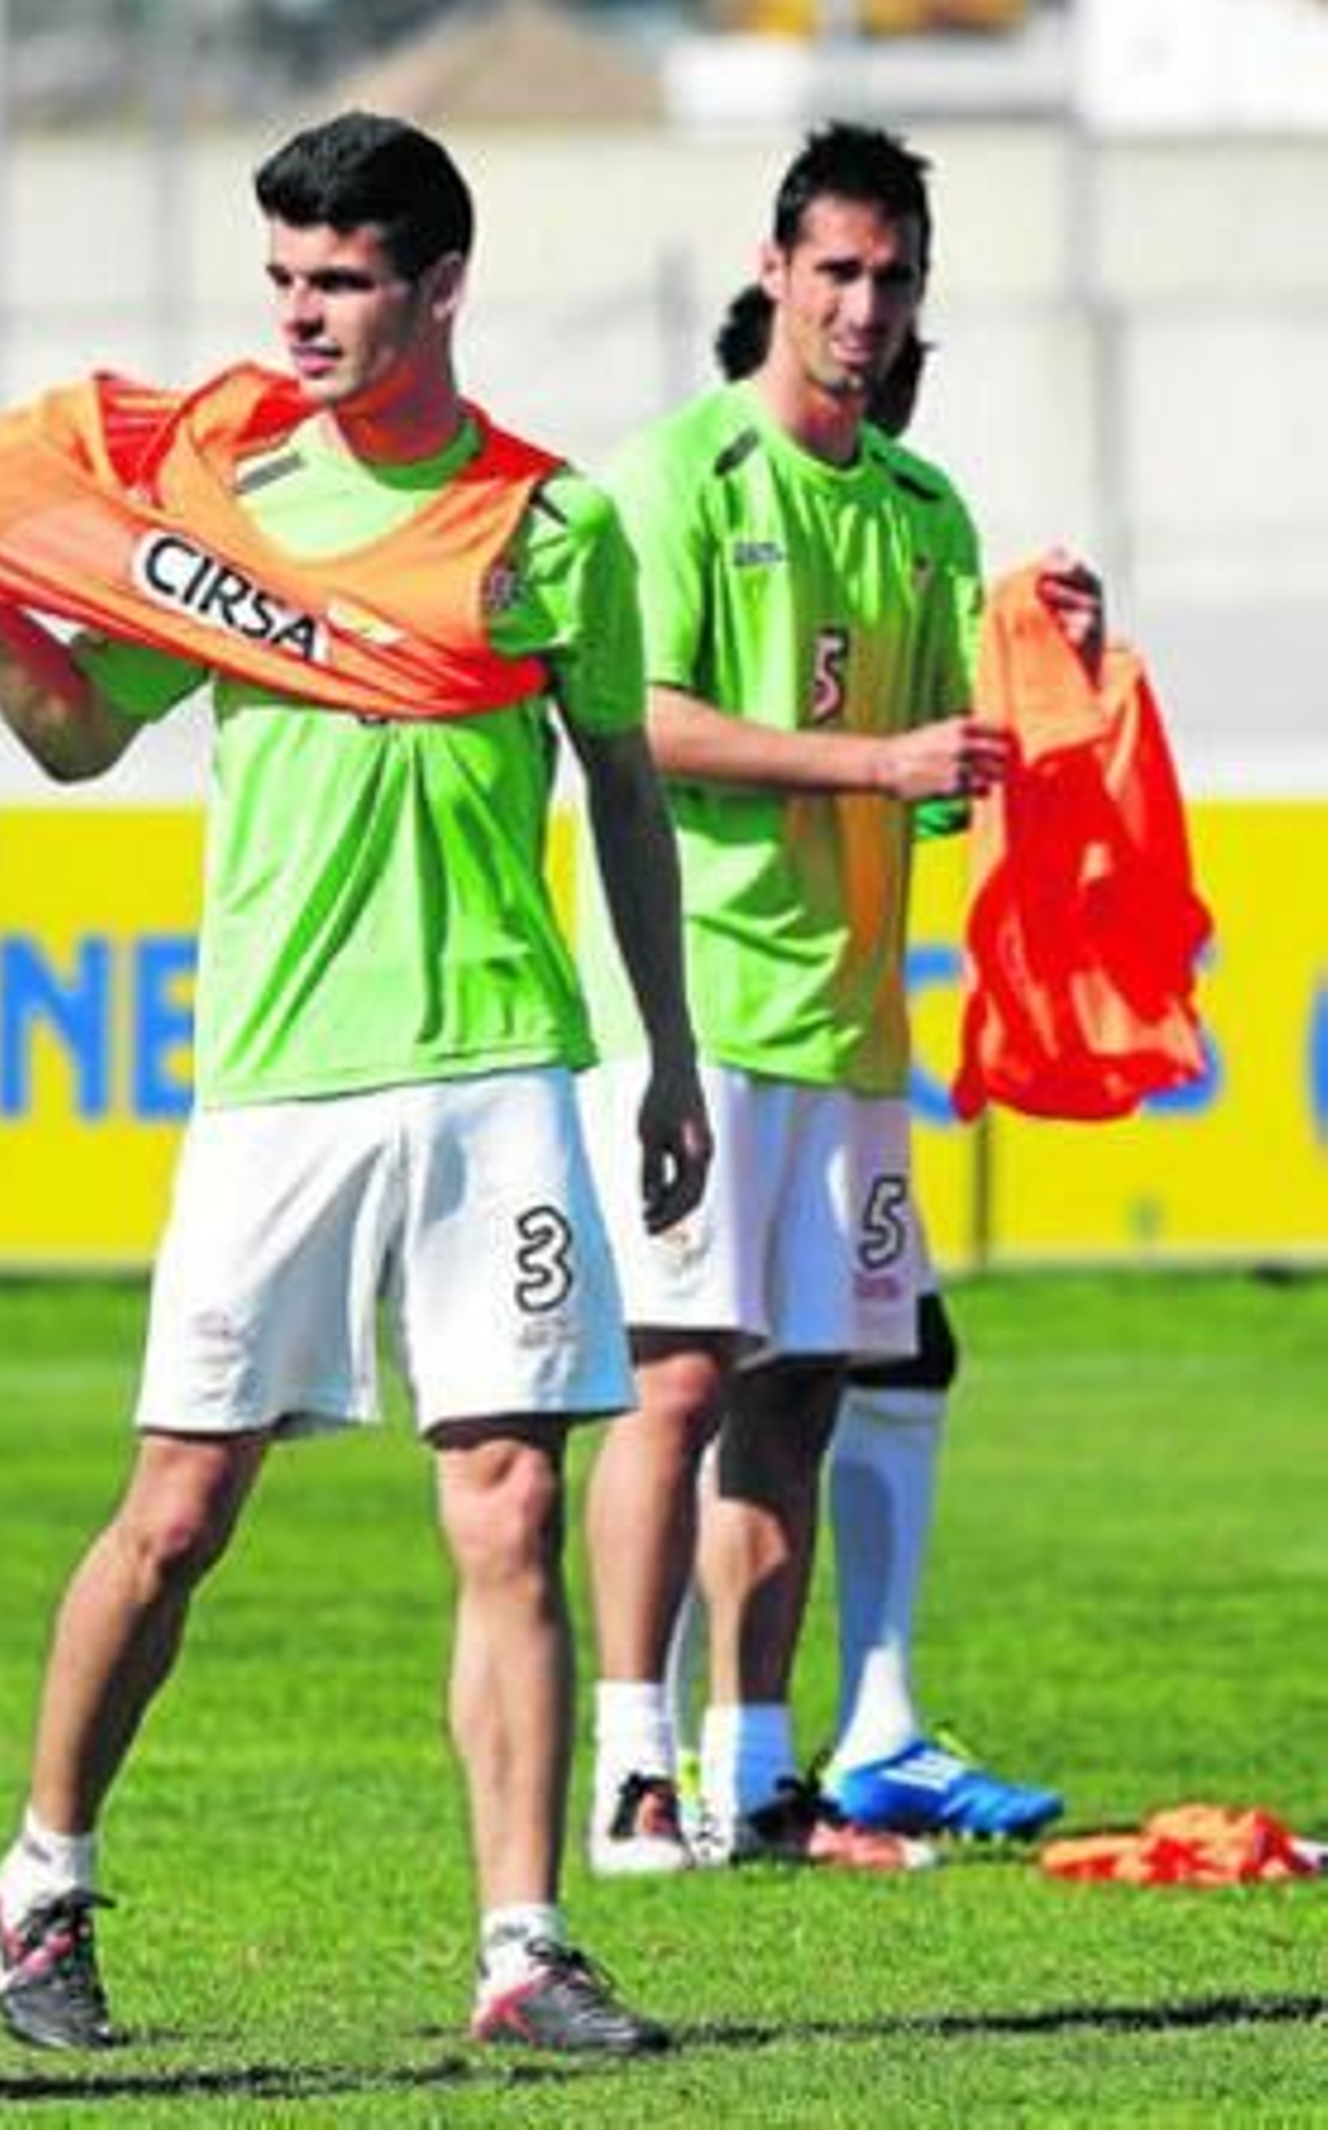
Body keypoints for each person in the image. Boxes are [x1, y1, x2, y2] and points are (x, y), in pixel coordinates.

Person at [0, 110, 710, 2055]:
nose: (300, 315)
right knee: (179, 1513)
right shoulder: (220, 501)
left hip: (501, 1066)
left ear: (439, 286)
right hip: (278, 1077)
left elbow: (623, 795)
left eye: (341, 280)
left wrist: (667, 1054)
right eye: (282, 277)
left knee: (508, 1504)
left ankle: (522, 1949)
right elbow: (76, 740)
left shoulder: (551, 525)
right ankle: (42, 1876)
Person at [576, 119, 1070, 1878]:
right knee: (676, 1385)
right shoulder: (679, 477)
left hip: (852, 1024)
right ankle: (632, 1772)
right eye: (839, 270)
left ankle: (761, 1776)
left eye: (895, 276)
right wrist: (878, 762)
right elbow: (640, 723)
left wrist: (1047, 659)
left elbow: (945, 775)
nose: (865, 307)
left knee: (799, 1396)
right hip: (694, 1015)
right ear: (775, 270)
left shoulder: (926, 513)